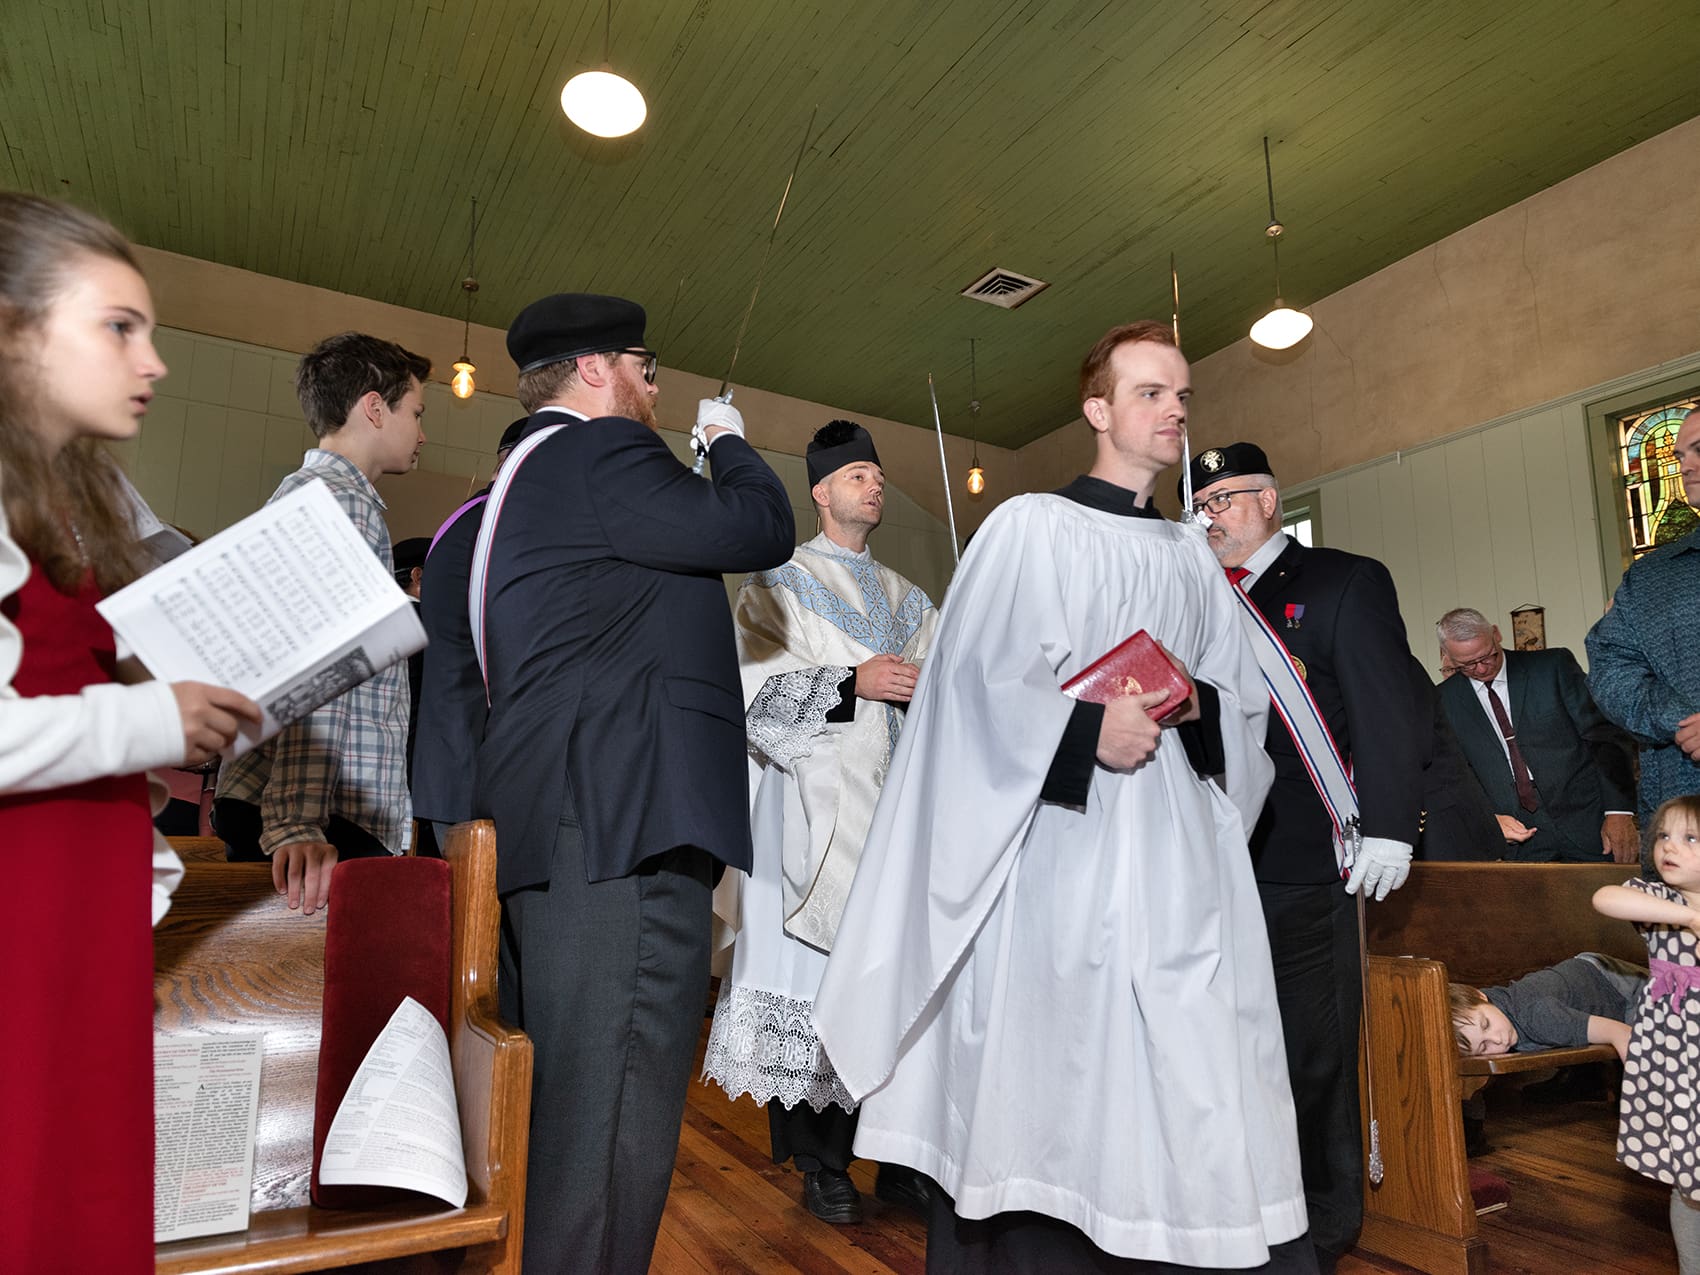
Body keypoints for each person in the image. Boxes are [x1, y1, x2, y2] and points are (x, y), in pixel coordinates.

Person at [816, 321, 1314, 1271]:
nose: (1173, 411)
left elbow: (1239, 698)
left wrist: (1190, 702)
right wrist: (1087, 729)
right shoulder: (1029, 527)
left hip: (1176, 852)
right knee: (1060, 1060)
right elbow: (969, 689)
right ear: (1098, 409)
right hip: (1058, 842)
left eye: (1181, 395)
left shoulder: (1187, 556)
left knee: (1190, 1058)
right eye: (1149, 393)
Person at [470, 293, 794, 1272]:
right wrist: (729, 444)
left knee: (570, 1133)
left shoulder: (524, 480)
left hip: (559, 834)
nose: (658, 390)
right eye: (648, 369)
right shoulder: (599, 453)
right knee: (610, 1132)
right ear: (600, 370)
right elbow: (755, 528)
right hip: (622, 831)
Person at [0, 191, 259, 1274]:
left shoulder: (74, 497)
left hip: (84, 868)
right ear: (15, 329)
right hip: (23, 884)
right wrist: (151, 715)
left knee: (81, 1169)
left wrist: (177, 731)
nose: (151, 362)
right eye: (120, 327)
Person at [1185, 440, 1422, 1271]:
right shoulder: (1197, 602)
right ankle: (1254, 1199)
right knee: (1235, 1041)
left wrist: (1391, 823)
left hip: (1307, 852)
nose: (1214, 515)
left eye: (1228, 497)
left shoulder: (1340, 581)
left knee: (1311, 1047)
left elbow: (1389, 704)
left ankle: (1325, 1220)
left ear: (1271, 500)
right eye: (1202, 503)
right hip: (1216, 853)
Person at [701, 419, 938, 1225]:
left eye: (877, 475)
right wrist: (852, 680)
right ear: (821, 491)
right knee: (811, 984)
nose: (874, 485)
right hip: (813, 821)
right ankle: (820, 1159)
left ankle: (896, 1152)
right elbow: (751, 698)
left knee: (893, 984)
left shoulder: (912, 599)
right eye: (858, 475)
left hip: (897, 821)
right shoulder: (776, 582)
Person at [214, 331, 430, 913]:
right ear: (374, 407)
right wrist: (297, 823)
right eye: (416, 412)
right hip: (325, 812)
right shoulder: (344, 505)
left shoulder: (300, 494)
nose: (422, 432)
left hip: (288, 796)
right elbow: (321, 676)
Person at [1435, 607, 1638, 863]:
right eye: (1467, 665)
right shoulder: (1443, 699)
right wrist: (1487, 819)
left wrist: (1618, 811)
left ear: (1496, 635)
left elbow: (1605, 738)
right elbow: (1455, 773)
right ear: (1448, 656)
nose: (1481, 668)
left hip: (1587, 821)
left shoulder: (1552, 667)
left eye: (1488, 656)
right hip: (1516, 839)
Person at [1593, 794, 1700, 1275]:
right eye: (1663, 836)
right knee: (1689, 1178)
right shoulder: (1658, 902)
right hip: (1677, 1068)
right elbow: (1604, 898)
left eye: (1690, 838)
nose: (1669, 847)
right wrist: (1689, 918)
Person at [410, 417, 528, 849]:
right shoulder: (494, 526)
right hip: (478, 768)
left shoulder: (463, 519)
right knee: (481, 915)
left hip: (452, 760)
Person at [1587, 409, 1700, 825]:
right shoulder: (1652, 576)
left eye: (1699, 450)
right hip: (1682, 810)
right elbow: (1611, 669)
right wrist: (1681, 719)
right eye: (1679, 455)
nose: (1685, 466)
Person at [1448, 955, 1646, 1058]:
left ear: (1479, 994)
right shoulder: (1483, 1009)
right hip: (1577, 986)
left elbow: (1620, 1032)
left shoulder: (1539, 1017)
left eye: (1486, 1025)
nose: (1498, 1040)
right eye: (1483, 1047)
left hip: (1617, 988)